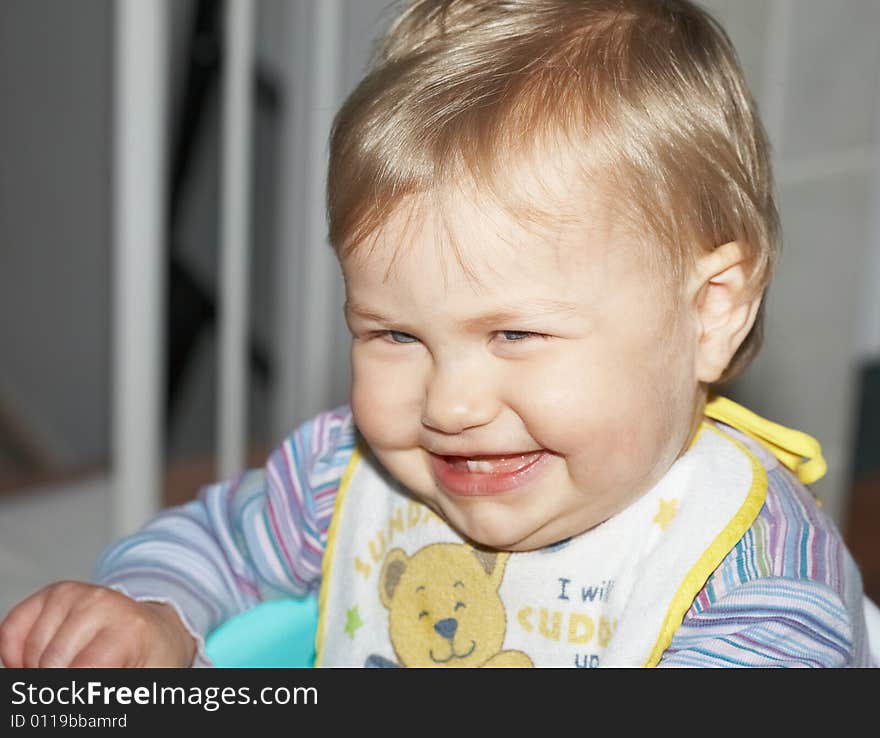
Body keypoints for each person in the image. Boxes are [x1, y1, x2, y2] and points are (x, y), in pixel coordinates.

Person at [0, 0, 872, 668]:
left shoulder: (754, 582)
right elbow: (219, 543)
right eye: (394, 336)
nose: (447, 405)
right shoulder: (346, 474)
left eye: (516, 335)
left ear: (711, 309)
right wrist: (152, 613)